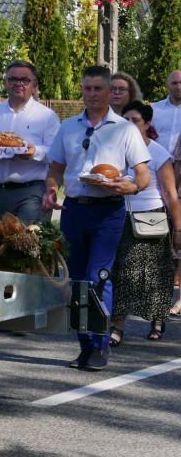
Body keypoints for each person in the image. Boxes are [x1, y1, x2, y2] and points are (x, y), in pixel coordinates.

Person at [42, 65, 152, 371]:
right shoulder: (68, 127)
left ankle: (101, 344)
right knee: (77, 282)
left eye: (98, 89)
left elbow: (142, 175)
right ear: (82, 90)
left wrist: (131, 184)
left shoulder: (125, 129)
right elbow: (55, 169)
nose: (92, 94)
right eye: (87, 88)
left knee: (97, 278)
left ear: (108, 91)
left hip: (108, 211)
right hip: (74, 210)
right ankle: (85, 346)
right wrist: (51, 189)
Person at [107, 101, 181, 344]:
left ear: (147, 124)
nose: (129, 125)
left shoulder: (158, 153)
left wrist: (178, 228)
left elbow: (170, 193)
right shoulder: (114, 150)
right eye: (125, 120)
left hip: (153, 218)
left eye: (135, 121)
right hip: (121, 216)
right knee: (123, 273)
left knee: (158, 273)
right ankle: (117, 327)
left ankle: (157, 320)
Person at [0, 60, 61, 225]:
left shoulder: (46, 116)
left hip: (30, 193)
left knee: (26, 246)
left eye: (24, 80)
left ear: (34, 85)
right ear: (5, 83)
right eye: (13, 79)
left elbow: (57, 155)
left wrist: (35, 152)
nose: (18, 84)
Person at [151, 70, 181, 155]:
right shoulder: (155, 109)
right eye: (174, 83)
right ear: (167, 85)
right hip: (158, 164)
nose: (178, 87)